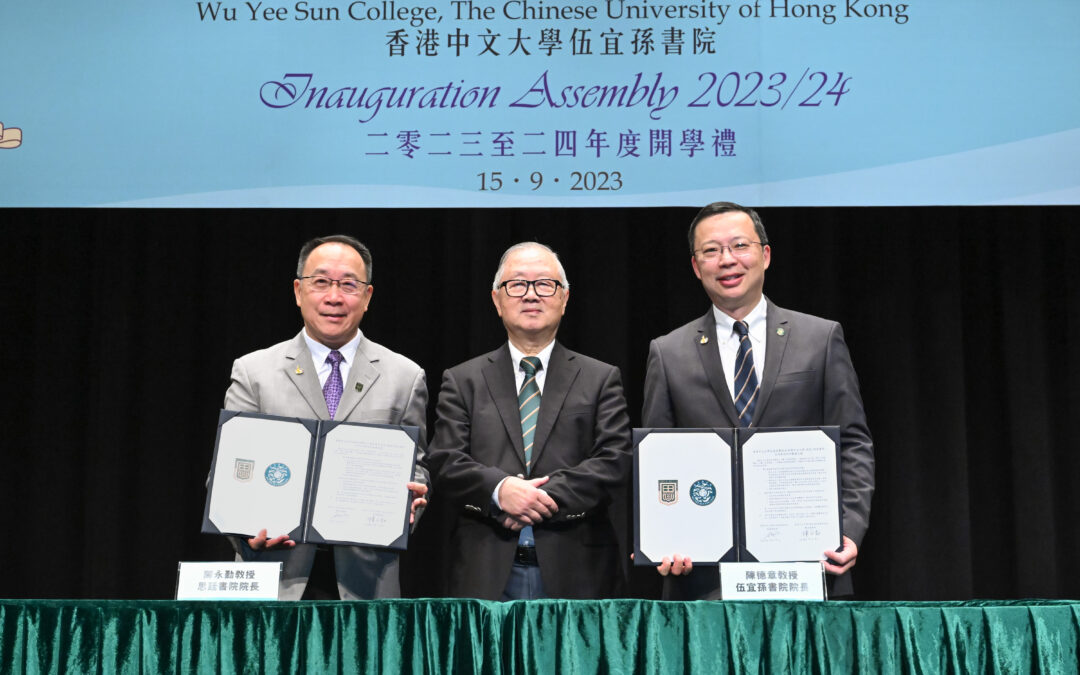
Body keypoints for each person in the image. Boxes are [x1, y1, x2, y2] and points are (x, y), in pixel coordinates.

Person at [642, 202, 875, 599]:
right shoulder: (668, 352)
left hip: (809, 567)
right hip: (704, 580)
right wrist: (662, 537)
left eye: (739, 246)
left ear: (765, 255)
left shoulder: (820, 338)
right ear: (696, 267)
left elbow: (853, 444)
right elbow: (657, 459)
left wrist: (848, 530)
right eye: (711, 251)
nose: (727, 260)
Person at [222, 234, 429, 600]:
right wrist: (242, 530)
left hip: (366, 581)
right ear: (299, 291)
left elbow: (416, 467)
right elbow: (229, 472)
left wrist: (412, 499)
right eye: (321, 282)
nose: (334, 297)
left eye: (349, 284)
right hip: (277, 578)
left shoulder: (405, 376)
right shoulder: (254, 371)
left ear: (367, 297)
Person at [426, 242, 633, 600]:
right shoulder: (463, 380)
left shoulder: (600, 377)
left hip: (578, 569)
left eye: (545, 284)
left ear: (565, 298)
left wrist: (533, 499)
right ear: (496, 299)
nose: (531, 295)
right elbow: (445, 459)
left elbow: (615, 460)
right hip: (485, 568)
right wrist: (500, 491)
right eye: (518, 285)